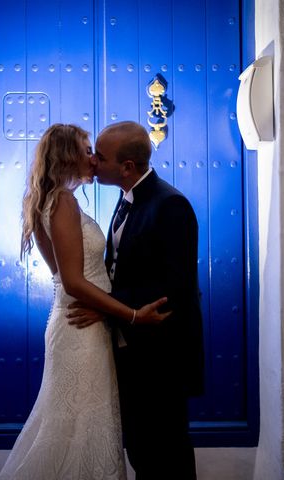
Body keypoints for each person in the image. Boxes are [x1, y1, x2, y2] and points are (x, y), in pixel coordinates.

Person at [0, 123, 170, 480]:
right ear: (67, 156)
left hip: (82, 321)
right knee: (75, 429)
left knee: (78, 427)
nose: (93, 159)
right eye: (87, 150)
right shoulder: (62, 201)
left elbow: (67, 279)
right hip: (80, 330)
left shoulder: (51, 199)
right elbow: (73, 282)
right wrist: (133, 315)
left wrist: (105, 307)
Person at [68, 121, 205, 480]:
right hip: (133, 349)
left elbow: (174, 287)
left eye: (101, 156)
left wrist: (106, 305)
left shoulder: (170, 205)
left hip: (162, 355)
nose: (94, 162)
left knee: (168, 453)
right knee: (143, 452)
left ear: (127, 167)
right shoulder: (127, 199)